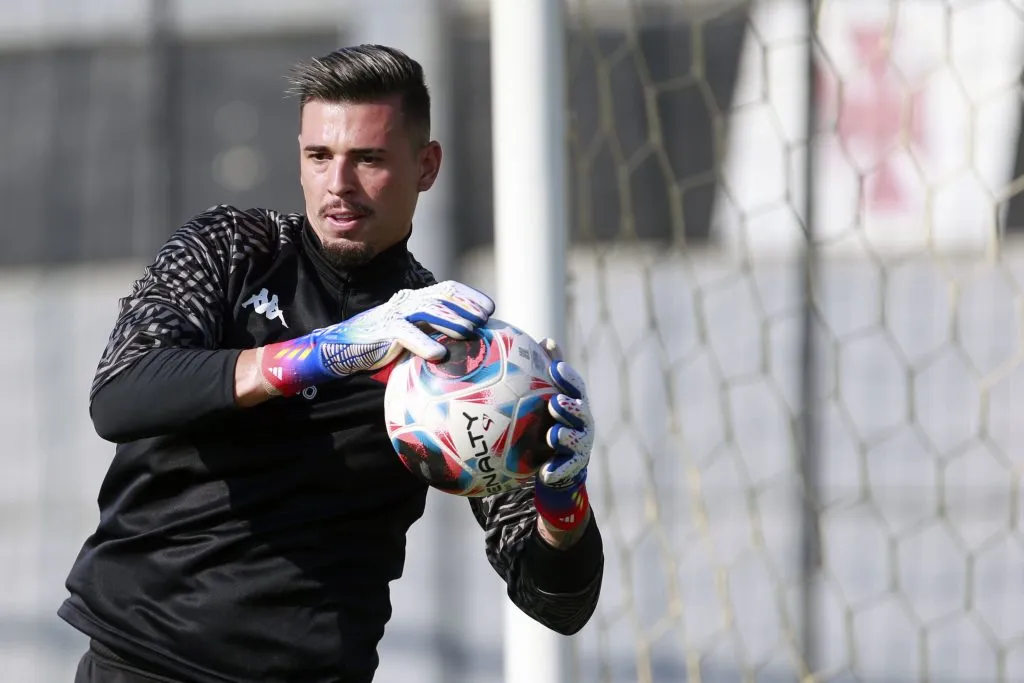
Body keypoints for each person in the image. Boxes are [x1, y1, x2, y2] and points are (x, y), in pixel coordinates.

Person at [59, 44, 604, 683]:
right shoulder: (229, 248)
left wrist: (562, 508)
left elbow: (556, 604)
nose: (338, 185)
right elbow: (121, 394)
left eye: (368, 159)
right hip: (143, 663)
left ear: (426, 166)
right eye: (319, 157)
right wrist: (318, 355)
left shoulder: (459, 359)